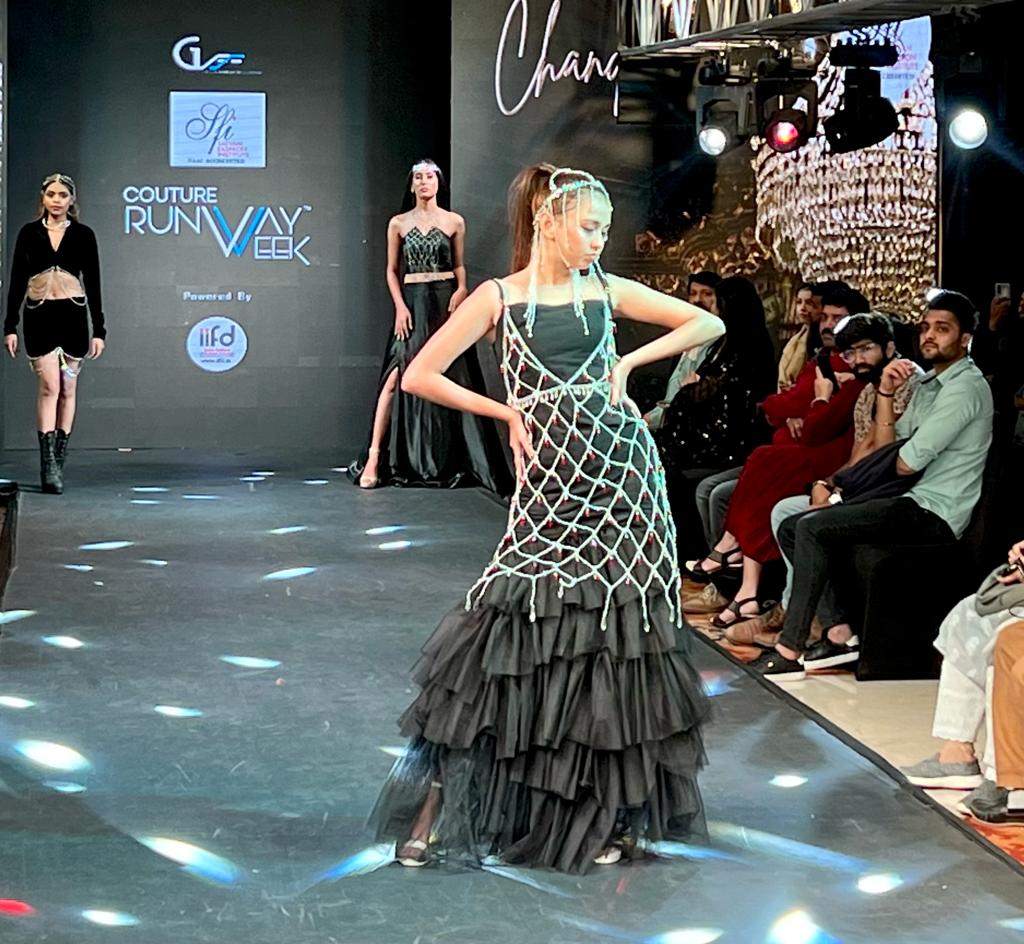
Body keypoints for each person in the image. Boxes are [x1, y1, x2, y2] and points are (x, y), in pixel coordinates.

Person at [368, 165, 724, 873]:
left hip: (623, 476)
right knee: (509, 621)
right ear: (549, 222)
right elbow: (420, 375)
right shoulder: (499, 297)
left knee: (614, 636)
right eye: (589, 227)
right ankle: (440, 811)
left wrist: (625, 366)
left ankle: (604, 813)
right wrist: (508, 413)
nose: (598, 241)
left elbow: (707, 322)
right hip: (552, 483)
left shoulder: (605, 290)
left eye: (604, 230)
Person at [754, 290, 994, 680]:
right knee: (792, 525)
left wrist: (883, 462)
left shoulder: (965, 387)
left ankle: (789, 648)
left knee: (810, 525)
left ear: (965, 338)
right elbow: (888, 444)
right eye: (926, 327)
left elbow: (906, 461)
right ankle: (838, 632)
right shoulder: (930, 384)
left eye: (942, 329)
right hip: (906, 497)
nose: (930, 336)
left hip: (933, 510)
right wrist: (884, 392)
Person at [684, 286, 870, 626]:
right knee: (737, 476)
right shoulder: (823, 359)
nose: (829, 325)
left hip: (827, 458)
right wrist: (793, 408)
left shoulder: (851, 372)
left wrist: (814, 401)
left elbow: (806, 421)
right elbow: (781, 404)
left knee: (745, 475)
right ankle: (739, 586)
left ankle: (737, 572)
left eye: (839, 319)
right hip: (796, 448)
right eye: (826, 317)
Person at [349, 160, 509, 493]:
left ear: (439, 183)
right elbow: (391, 270)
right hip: (413, 304)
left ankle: (469, 461)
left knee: (455, 376)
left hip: (445, 303)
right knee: (394, 379)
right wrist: (400, 307)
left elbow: (459, 266)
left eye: (430, 177)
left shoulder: (454, 221)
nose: (424, 182)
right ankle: (374, 459)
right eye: (419, 177)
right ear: (412, 185)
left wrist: (461, 289)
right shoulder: (398, 223)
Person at [649, 276, 776, 558]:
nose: (708, 305)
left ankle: (710, 560)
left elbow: (719, 394)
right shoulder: (727, 343)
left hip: (728, 442)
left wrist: (694, 390)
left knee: (681, 477)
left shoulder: (746, 345)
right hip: (706, 435)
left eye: (713, 299)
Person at [3, 173, 106, 495]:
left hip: (73, 317)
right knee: (49, 386)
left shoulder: (84, 235)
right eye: (51, 194)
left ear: (71, 199)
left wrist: (99, 329)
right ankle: (47, 464)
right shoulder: (30, 233)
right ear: (43, 198)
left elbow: (94, 282)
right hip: (39, 316)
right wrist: (10, 326)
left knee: (67, 388)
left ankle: (59, 459)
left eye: (63, 195)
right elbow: (17, 279)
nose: (57, 200)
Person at [776, 281, 824, 391]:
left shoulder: (820, 339)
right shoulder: (796, 339)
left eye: (809, 303)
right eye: (799, 302)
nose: (802, 308)